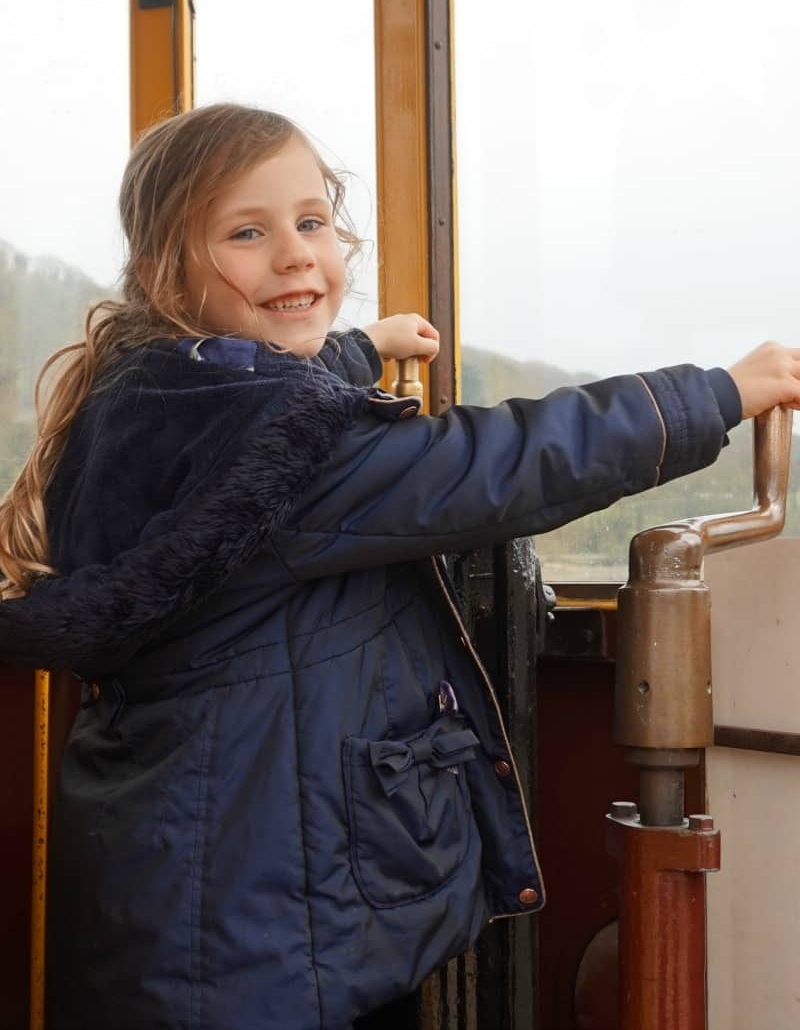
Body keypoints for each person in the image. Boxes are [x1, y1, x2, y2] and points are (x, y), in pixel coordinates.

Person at [0, 103, 798, 1030]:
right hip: (264, 931)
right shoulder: (284, 457)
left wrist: (362, 346)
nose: (297, 254)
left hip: (185, 884)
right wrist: (714, 396)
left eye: (310, 222)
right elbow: (491, 465)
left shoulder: (152, 392)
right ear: (160, 273)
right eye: (246, 233)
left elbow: (278, 390)